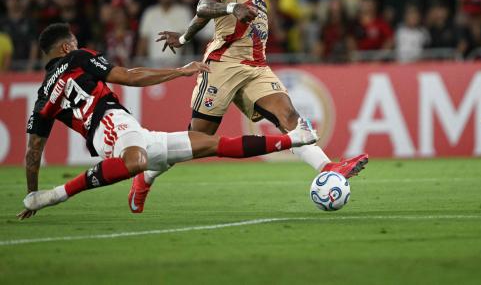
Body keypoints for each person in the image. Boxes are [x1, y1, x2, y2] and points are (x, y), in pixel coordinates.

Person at [153, 0, 368, 214]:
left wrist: (183, 38)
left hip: (255, 66)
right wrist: (231, 8)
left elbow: (203, 15)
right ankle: (147, 172)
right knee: (197, 139)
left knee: (289, 117)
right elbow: (203, 6)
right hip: (224, 65)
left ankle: (329, 167)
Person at [17, 23, 318, 220]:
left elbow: (33, 152)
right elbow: (129, 76)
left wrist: (31, 193)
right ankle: (56, 195)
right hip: (111, 125)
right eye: (75, 42)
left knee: (211, 144)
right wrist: (179, 71)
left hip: (125, 131)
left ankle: (294, 139)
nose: (78, 45)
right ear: (67, 48)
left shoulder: (42, 96)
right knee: (137, 160)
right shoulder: (78, 58)